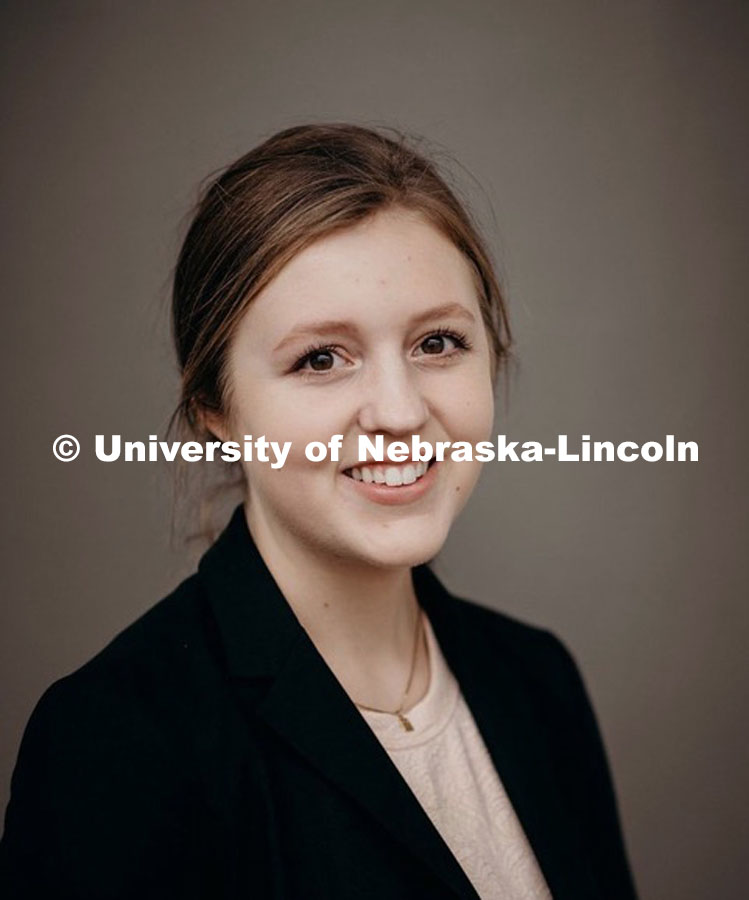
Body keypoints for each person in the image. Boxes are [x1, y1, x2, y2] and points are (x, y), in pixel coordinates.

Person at [0, 123, 638, 899]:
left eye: (437, 342)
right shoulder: (116, 742)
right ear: (215, 409)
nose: (400, 413)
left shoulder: (537, 680)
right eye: (320, 358)